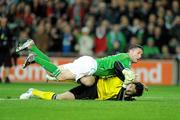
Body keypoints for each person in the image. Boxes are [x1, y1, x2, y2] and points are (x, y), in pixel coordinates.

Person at [16, 39, 143, 87]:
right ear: (130, 51)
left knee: (51, 70)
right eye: (138, 53)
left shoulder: (123, 57)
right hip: (90, 66)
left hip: (88, 63)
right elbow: (130, 75)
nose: (140, 56)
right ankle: (34, 58)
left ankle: (33, 47)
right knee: (59, 75)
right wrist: (140, 83)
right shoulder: (125, 58)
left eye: (141, 54)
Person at [20, 76, 146, 101]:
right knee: (72, 77)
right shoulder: (121, 76)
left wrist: (132, 90)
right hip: (94, 81)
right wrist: (136, 81)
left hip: (92, 93)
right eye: (130, 86)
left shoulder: (123, 97)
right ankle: (55, 76)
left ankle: (33, 92)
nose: (128, 88)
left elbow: (123, 96)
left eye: (131, 90)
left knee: (60, 98)